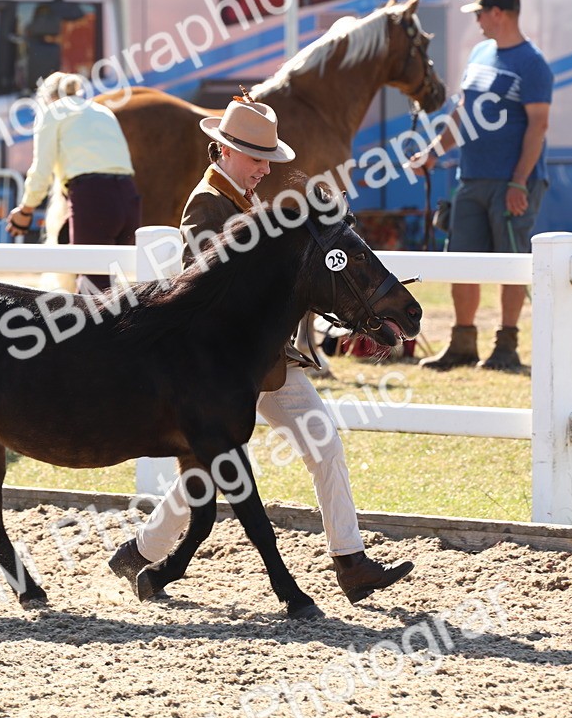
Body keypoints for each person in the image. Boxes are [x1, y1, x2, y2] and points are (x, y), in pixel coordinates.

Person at [107, 97, 414, 608]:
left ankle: (350, 561)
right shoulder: (206, 204)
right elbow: (208, 281)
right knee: (218, 465)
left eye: (267, 157)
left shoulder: (244, 199)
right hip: (226, 365)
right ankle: (144, 551)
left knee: (313, 447)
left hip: (266, 361)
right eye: (256, 157)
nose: (265, 167)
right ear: (225, 151)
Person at [410, 0, 553, 371]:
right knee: (462, 262)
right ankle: (462, 343)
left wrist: (519, 182)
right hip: (470, 179)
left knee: (512, 264)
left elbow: (538, 126)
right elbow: (461, 115)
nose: (476, 20)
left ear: (499, 14)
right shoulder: (479, 54)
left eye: (480, 13)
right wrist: (432, 153)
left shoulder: (532, 63)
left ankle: (506, 347)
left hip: (512, 185)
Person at [6, 71, 140, 293]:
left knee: (92, 294)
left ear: (48, 97)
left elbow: (42, 169)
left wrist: (26, 209)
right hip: (128, 199)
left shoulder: (54, 112)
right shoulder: (102, 110)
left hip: (92, 199)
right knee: (112, 290)